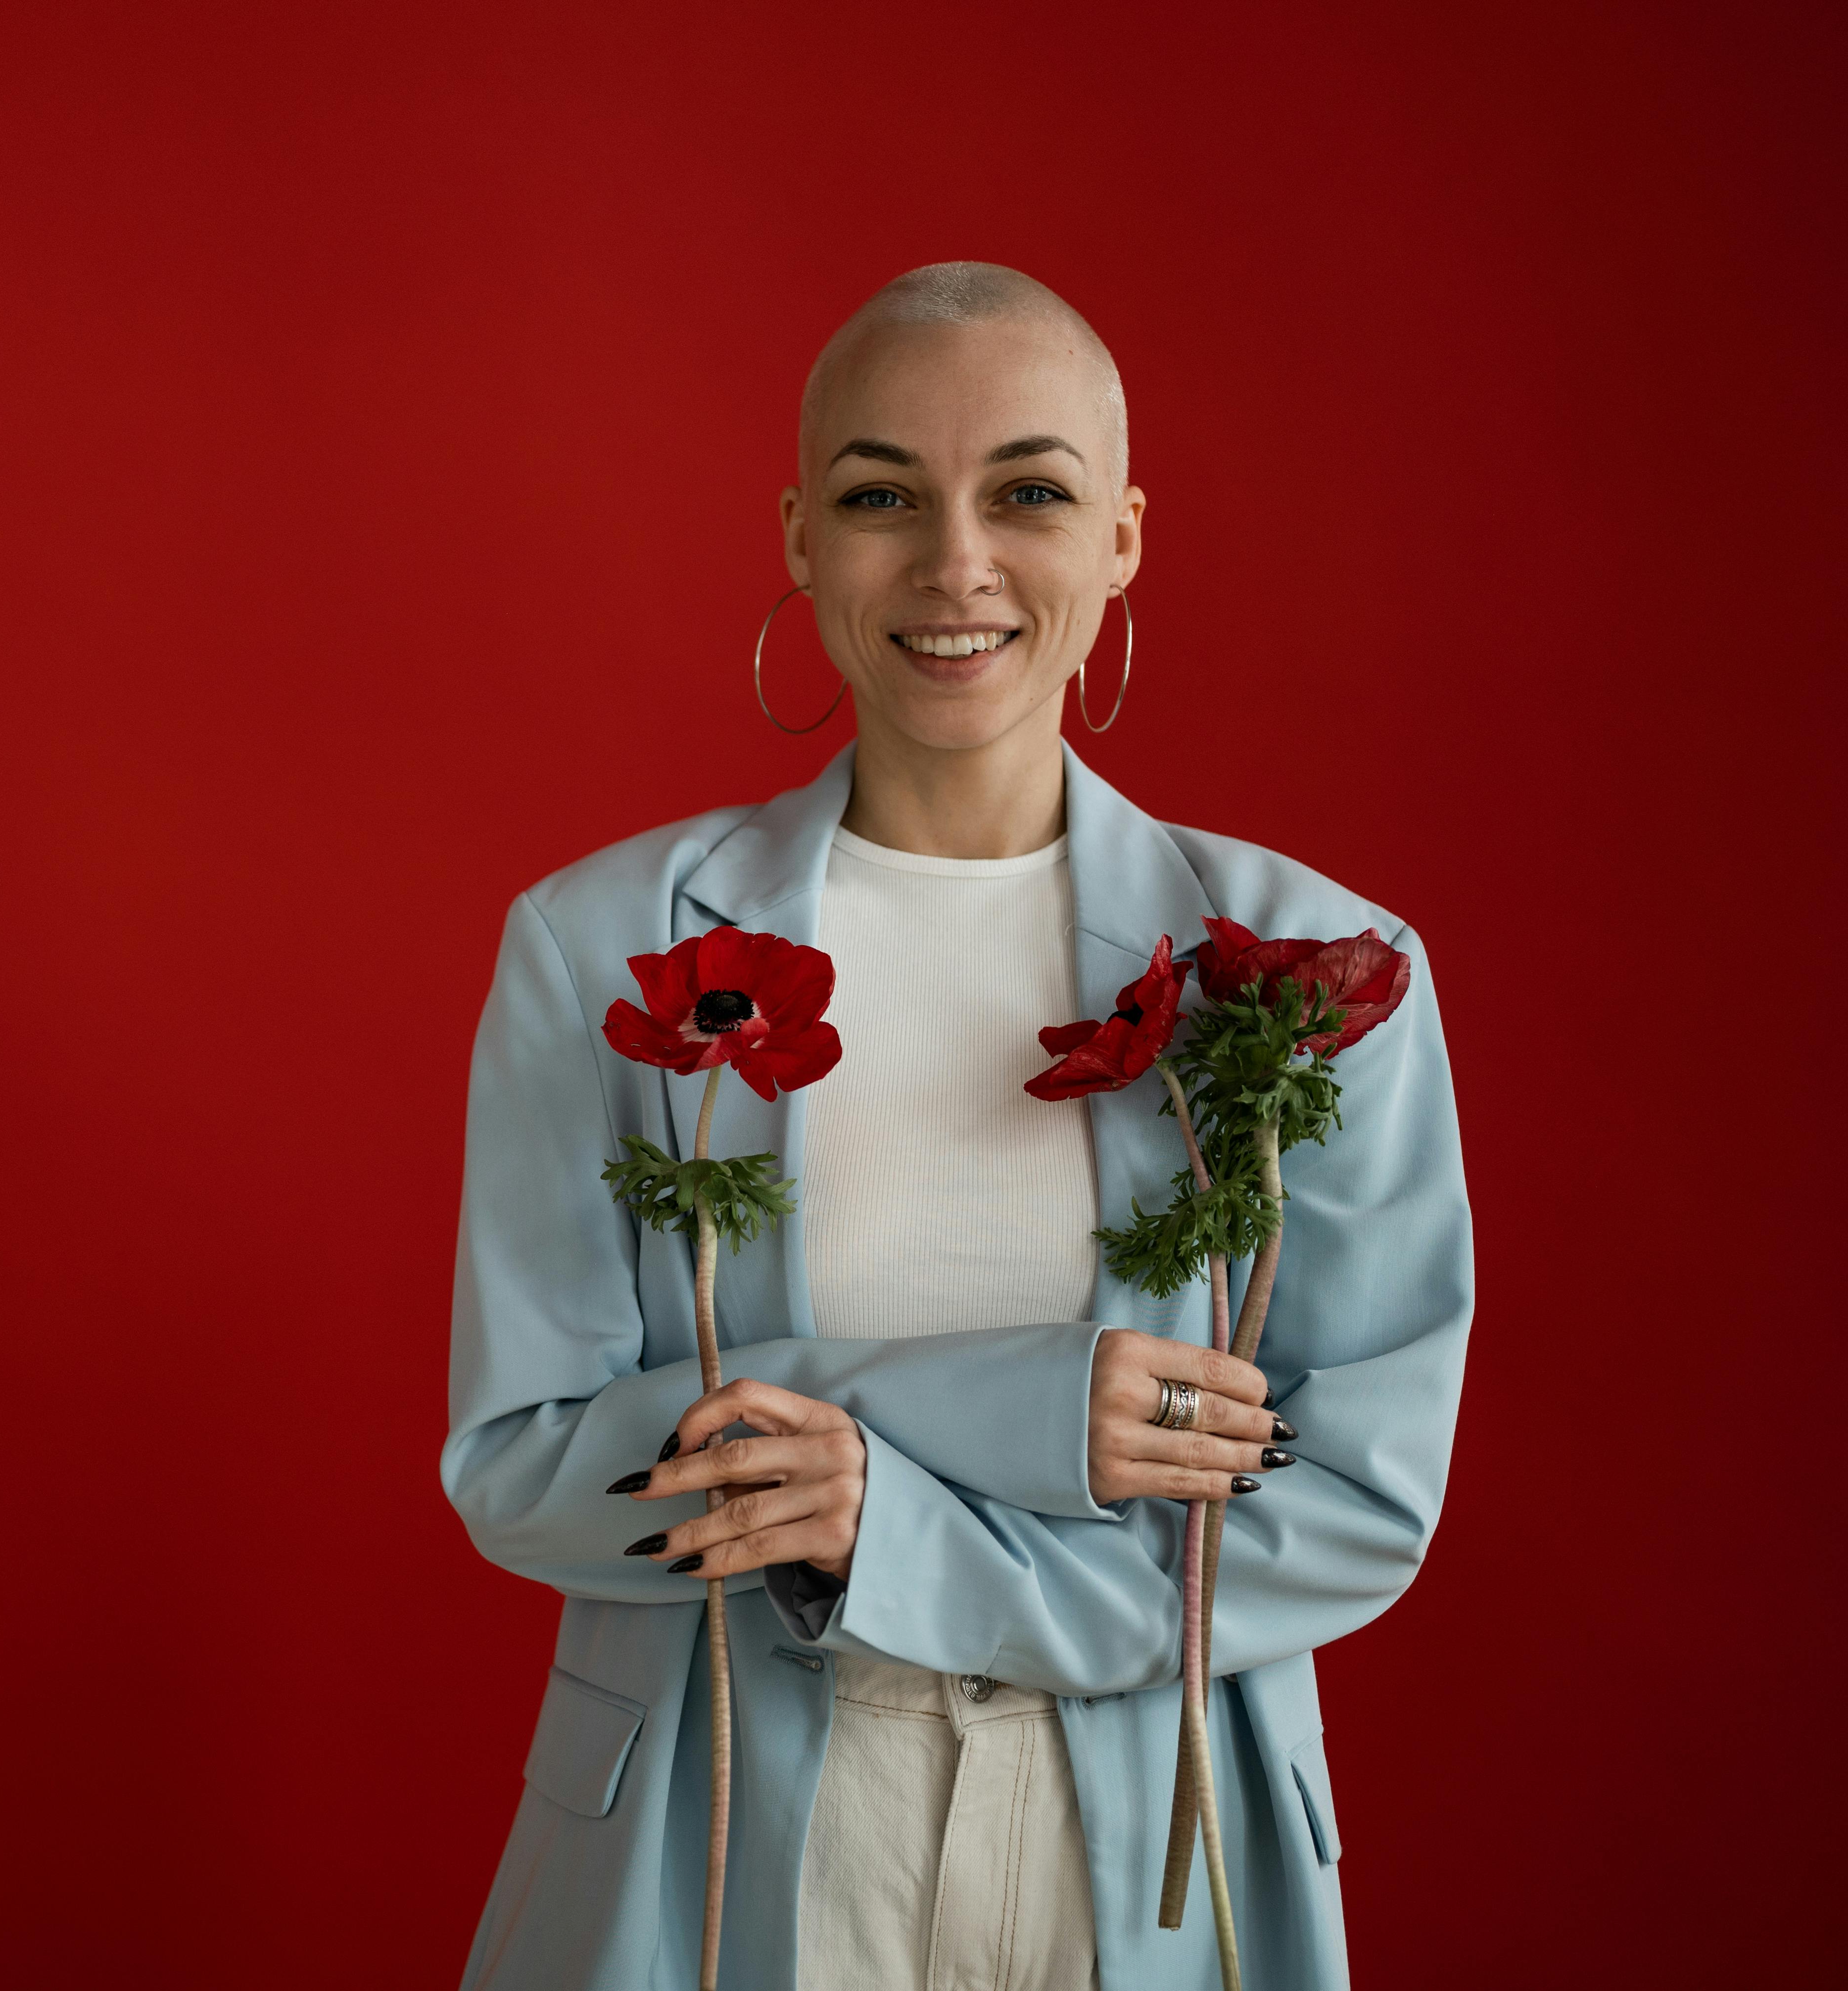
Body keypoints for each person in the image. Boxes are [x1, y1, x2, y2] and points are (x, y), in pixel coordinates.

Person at [441, 262, 1471, 1991]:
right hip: (717, 1831)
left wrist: (895, 1532)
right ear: (798, 534)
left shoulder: (1314, 976)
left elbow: (1354, 1502)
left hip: (1149, 1841)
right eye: (879, 497)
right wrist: (993, 1416)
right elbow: (528, 1472)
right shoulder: (597, 949)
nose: (955, 562)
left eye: (1031, 493)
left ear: (1126, 536)